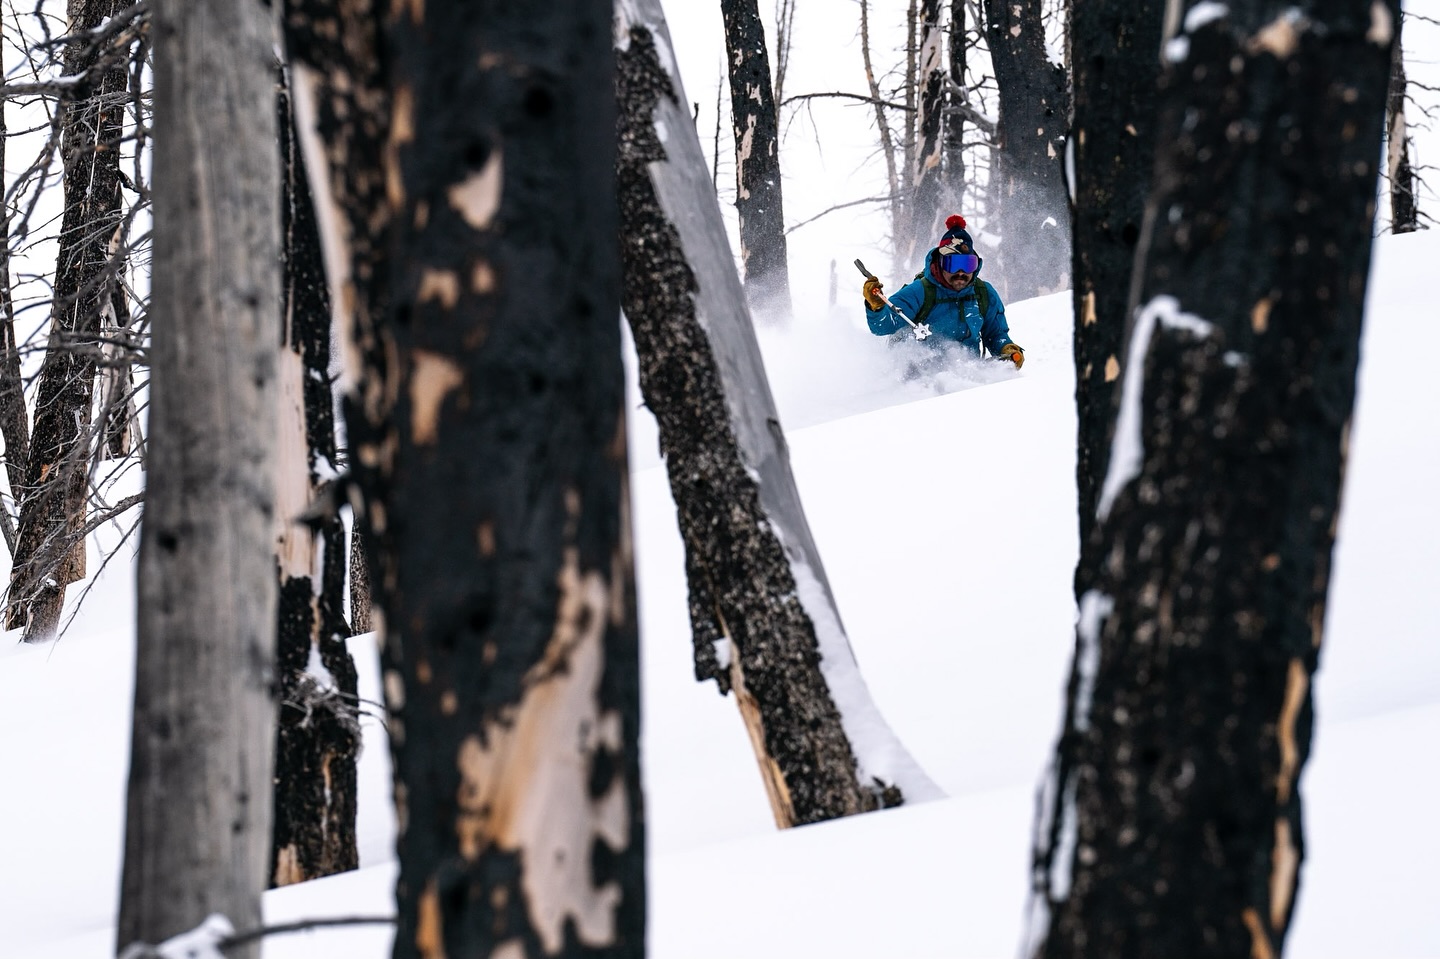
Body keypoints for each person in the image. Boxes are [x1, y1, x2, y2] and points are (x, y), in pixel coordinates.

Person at [862, 214, 1024, 370]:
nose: (961, 272)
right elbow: (882, 326)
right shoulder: (920, 291)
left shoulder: (983, 293)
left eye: (968, 264)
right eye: (953, 264)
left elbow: (995, 334)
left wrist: (1006, 349)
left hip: (967, 380)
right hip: (919, 382)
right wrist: (875, 306)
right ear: (940, 263)